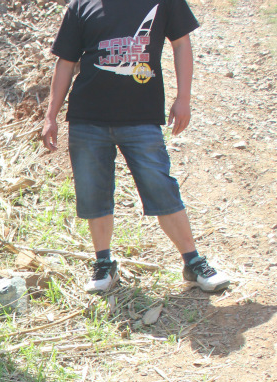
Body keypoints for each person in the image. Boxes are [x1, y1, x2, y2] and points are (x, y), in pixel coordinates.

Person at [41, 0, 230, 293]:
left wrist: (184, 99)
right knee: (94, 194)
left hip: (141, 118)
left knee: (160, 186)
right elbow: (65, 62)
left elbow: (181, 44)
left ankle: (193, 262)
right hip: (87, 118)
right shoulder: (81, 6)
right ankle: (104, 264)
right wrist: (50, 116)